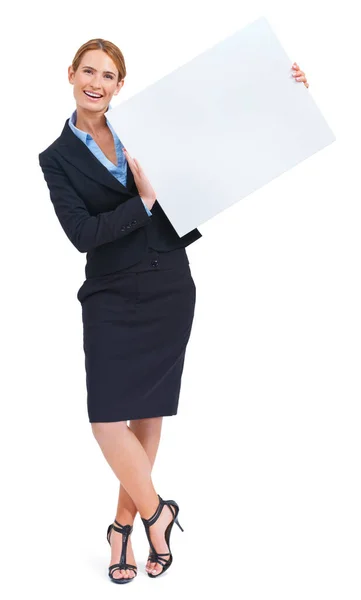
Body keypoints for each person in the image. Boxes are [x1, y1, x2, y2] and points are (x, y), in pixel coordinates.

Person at [39, 37, 309, 584]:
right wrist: (141, 201)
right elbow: (82, 234)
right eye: (87, 71)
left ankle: (122, 529)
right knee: (106, 420)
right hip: (110, 292)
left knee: (147, 415)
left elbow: (222, 130)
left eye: (108, 76)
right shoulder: (55, 158)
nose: (96, 82)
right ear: (70, 74)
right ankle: (158, 511)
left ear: (120, 85)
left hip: (168, 281)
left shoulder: (145, 126)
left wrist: (285, 89)